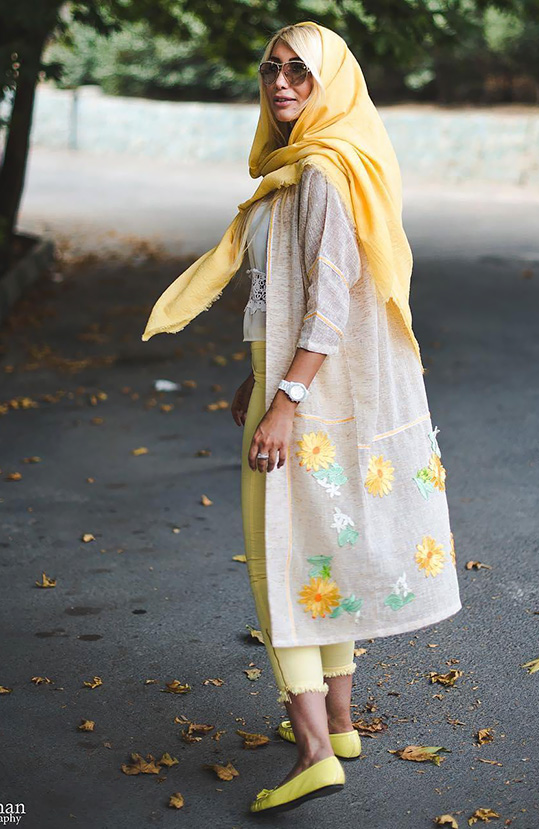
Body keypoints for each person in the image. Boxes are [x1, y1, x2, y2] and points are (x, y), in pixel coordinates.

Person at [142, 20, 462, 816]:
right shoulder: (301, 169)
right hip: (285, 380)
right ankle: (343, 723)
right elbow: (279, 302)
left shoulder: (319, 172)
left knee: (277, 568)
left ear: (333, 82)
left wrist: (282, 403)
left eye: (301, 71)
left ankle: (315, 749)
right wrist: (253, 380)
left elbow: (327, 309)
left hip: (302, 391)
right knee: (316, 556)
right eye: (271, 68)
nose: (282, 82)